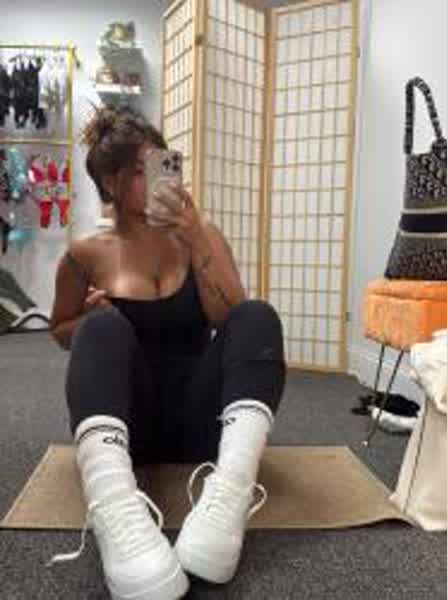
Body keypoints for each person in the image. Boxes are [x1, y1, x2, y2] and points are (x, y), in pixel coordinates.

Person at [47, 106, 286, 600]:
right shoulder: (84, 253)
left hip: (204, 425)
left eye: (162, 163)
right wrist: (90, 318)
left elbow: (233, 321)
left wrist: (197, 237)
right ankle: (116, 509)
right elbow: (59, 330)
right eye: (140, 170)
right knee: (99, 328)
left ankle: (230, 493)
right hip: (128, 432)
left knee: (258, 315)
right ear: (110, 182)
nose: (158, 179)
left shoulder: (200, 236)